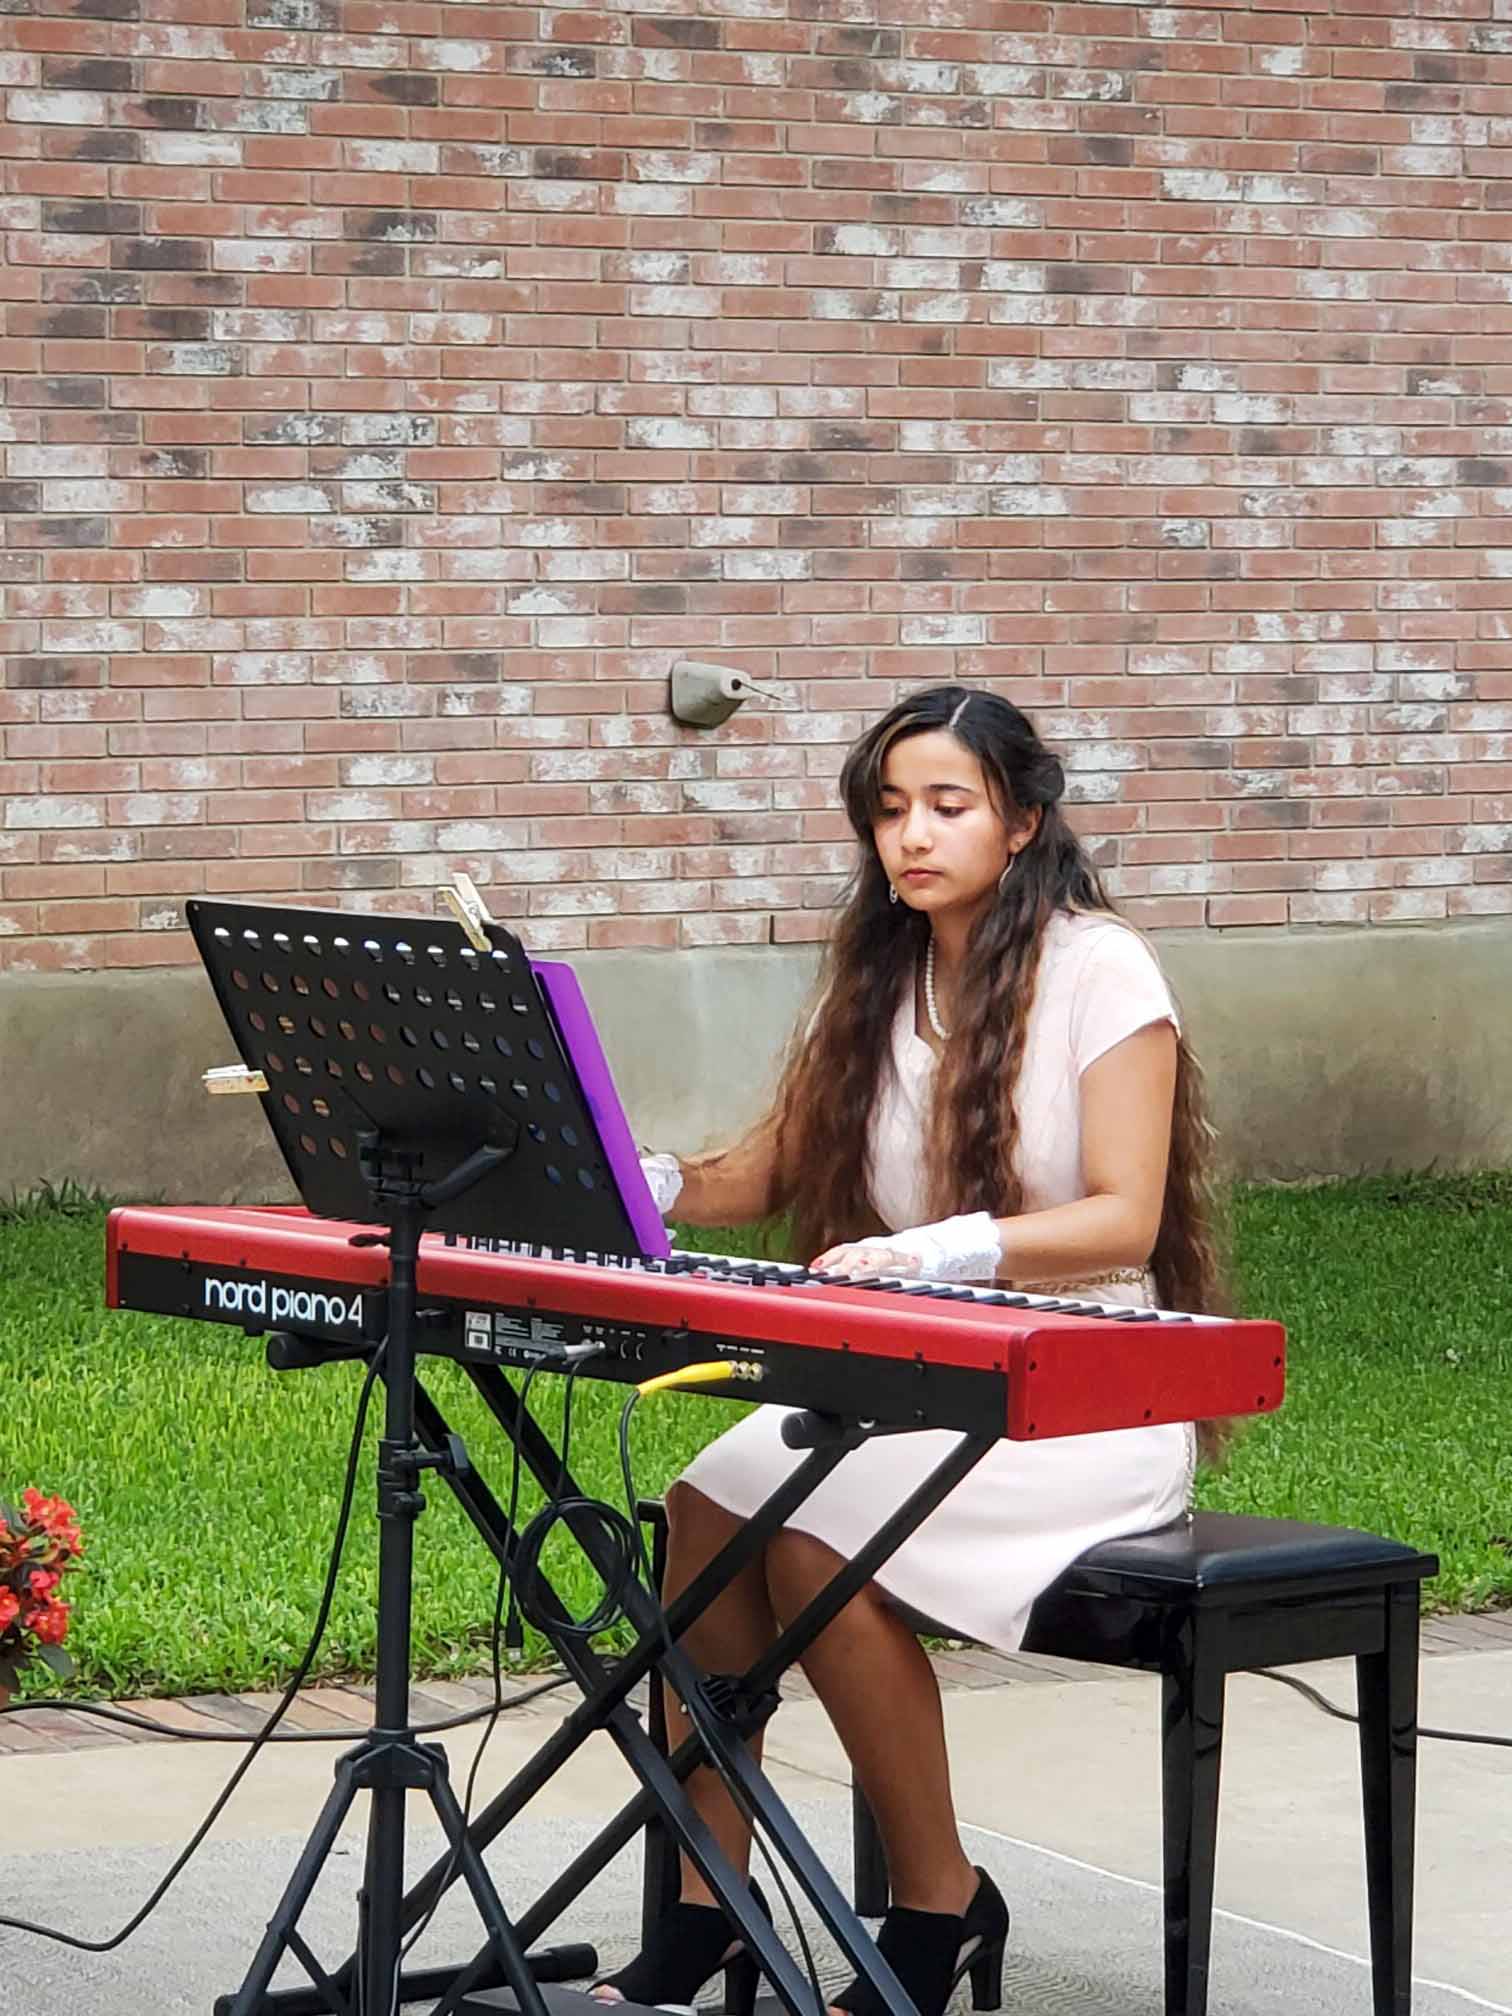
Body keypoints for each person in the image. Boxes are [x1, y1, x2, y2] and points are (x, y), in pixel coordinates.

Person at [598, 684, 1226, 2016]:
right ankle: (711, 1902)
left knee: (826, 1529)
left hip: (1085, 1387)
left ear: (1024, 820)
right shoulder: (881, 975)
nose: (912, 837)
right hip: (923, 1379)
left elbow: (1123, 1209)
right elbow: (769, 1168)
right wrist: (637, 1178)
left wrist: (940, 1250)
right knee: (712, 1501)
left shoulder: (1100, 966)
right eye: (890, 810)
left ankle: (938, 1903)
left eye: (948, 805)